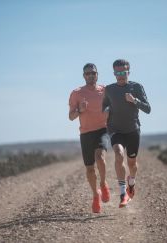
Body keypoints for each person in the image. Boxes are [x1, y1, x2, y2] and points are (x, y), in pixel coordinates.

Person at [102, 59, 151, 208]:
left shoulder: (136, 87)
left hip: (132, 130)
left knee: (132, 163)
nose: (121, 75)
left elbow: (148, 109)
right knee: (118, 153)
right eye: (117, 73)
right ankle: (123, 193)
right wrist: (105, 110)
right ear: (114, 73)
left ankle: (132, 182)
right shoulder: (109, 89)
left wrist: (134, 100)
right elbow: (104, 106)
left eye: (123, 72)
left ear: (128, 72)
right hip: (115, 129)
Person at [68, 63, 111, 213]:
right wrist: (80, 109)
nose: (91, 76)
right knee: (90, 169)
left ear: (97, 74)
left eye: (93, 73)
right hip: (86, 133)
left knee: (100, 157)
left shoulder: (105, 90)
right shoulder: (76, 93)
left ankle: (104, 184)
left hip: (103, 129)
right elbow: (71, 117)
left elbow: (114, 107)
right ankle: (95, 195)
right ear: (83, 76)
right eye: (87, 74)